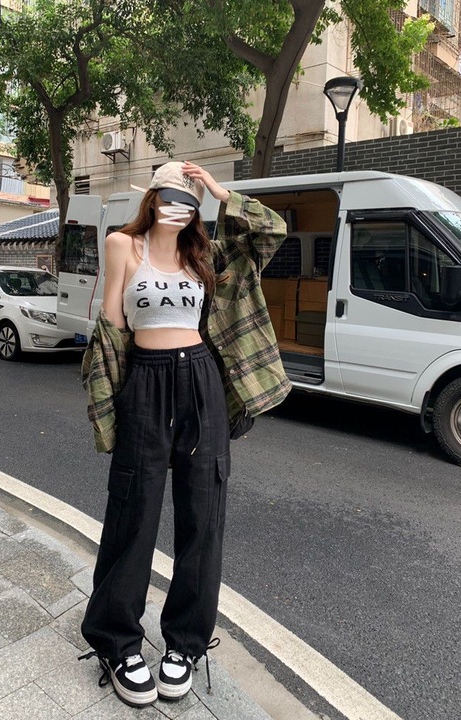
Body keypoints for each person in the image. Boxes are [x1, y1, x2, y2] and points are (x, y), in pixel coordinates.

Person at [78, 160, 292, 707]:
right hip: (145, 381)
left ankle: (185, 645)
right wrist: (110, 405)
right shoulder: (123, 245)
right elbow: (112, 329)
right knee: (132, 511)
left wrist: (220, 191)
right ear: (152, 199)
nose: (180, 208)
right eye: (172, 197)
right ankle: (117, 642)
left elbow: (272, 231)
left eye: (190, 201)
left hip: (200, 381)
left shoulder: (206, 255)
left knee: (203, 515)